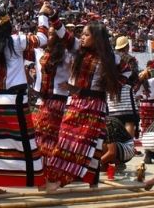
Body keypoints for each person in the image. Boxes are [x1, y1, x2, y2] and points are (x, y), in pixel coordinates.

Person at [0, 0, 52, 194]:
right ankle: (41, 184)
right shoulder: (15, 41)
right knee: (26, 141)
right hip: (15, 99)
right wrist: (42, 15)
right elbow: (43, 39)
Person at [45, 21, 121, 191]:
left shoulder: (111, 57)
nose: (83, 37)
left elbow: (128, 73)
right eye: (82, 34)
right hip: (75, 103)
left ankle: (90, 180)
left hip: (96, 106)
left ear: (97, 39)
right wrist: (54, 17)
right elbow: (65, 35)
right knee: (66, 141)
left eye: (87, 35)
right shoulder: (78, 50)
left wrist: (112, 84)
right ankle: (58, 178)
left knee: (91, 144)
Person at [30, 23, 75, 171]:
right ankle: (46, 167)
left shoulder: (67, 54)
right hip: (46, 99)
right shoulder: (43, 52)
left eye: (50, 34)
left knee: (49, 135)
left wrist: (71, 86)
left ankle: (49, 168)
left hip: (58, 99)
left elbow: (79, 73)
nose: (47, 37)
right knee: (42, 134)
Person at [107, 36, 140, 138]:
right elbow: (134, 74)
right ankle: (128, 146)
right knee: (129, 120)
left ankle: (118, 146)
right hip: (126, 91)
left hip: (111, 91)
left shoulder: (111, 57)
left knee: (114, 120)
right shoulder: (130, 59)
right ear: (127, 46)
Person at [135, 62, 154, 135]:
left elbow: (137, 95)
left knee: (143, 120)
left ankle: (143, 134)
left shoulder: (139, 84)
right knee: (151, 119)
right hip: (151, 103)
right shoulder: (152, 80)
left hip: (143, 103)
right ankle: (150, 133)